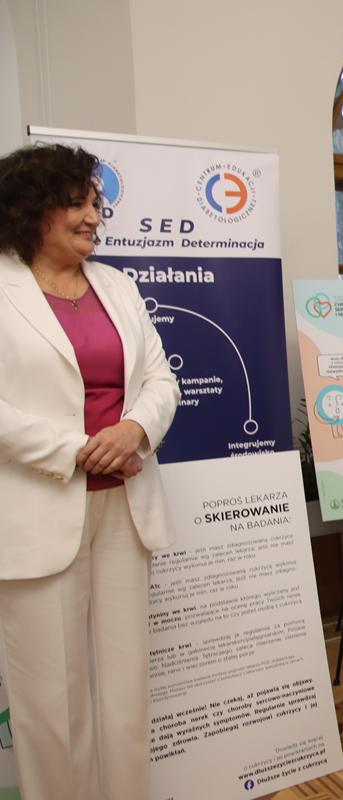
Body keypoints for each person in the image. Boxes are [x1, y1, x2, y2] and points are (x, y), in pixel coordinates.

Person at [0, 143, 179, 800]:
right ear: (31, 209)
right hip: (37, 514)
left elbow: (160, 379)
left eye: (95, 204)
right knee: (52, 707)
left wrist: (136, 430)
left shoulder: (116, 285)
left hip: (124, 509)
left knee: (126, 697)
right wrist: (74, 448)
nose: (92, 217)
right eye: (75, 203)